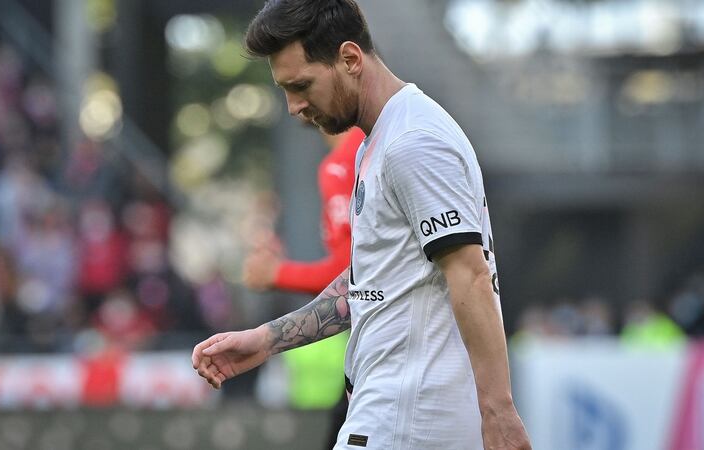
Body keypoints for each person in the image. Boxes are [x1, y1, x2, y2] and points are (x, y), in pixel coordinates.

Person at [192, 1, 532, 449]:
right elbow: (372, 281)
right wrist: (265, 340)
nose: (294, 107)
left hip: (408, 419)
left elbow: (469, 275)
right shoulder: (383, 140)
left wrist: (498, 409)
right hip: (393, 413)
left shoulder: (413, 142)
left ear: (350, 59)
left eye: (301, 85)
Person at [243, 126, 364, 449]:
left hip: (378, 350)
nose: (293, 105)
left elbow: (353, 277)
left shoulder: (342, 164)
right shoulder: (377, 144)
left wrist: (276, 274)